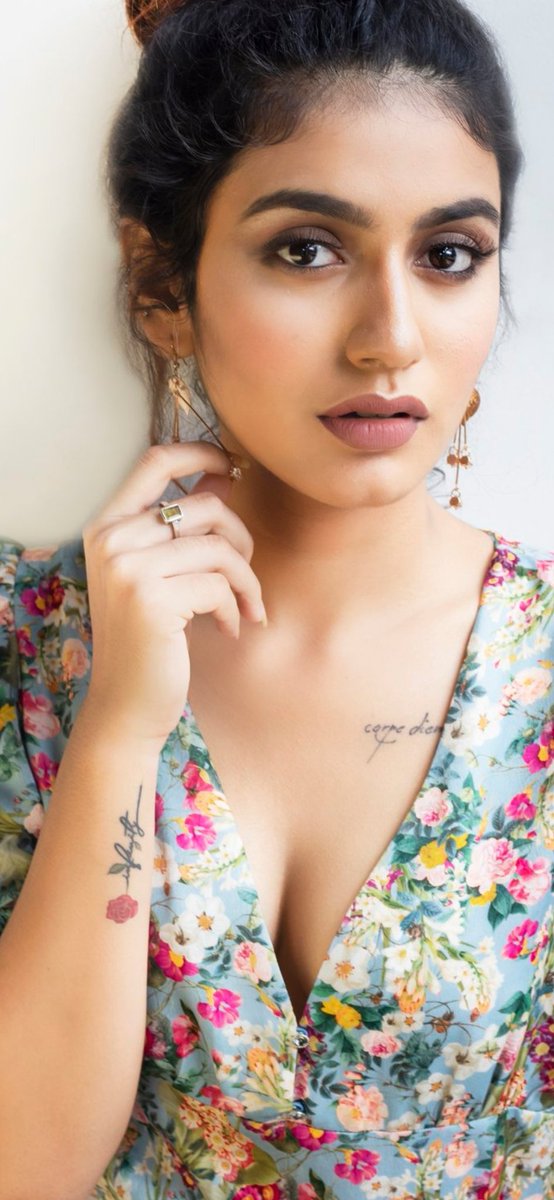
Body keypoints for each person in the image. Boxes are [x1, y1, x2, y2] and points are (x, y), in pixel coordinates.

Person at [0, 0, 553, 1196]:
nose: (389, 339)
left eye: (447, 255)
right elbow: (25, 1166)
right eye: (306, 249)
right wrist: (118, 731)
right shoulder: (27, 647)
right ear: (163, 287)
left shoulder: (541, 666)